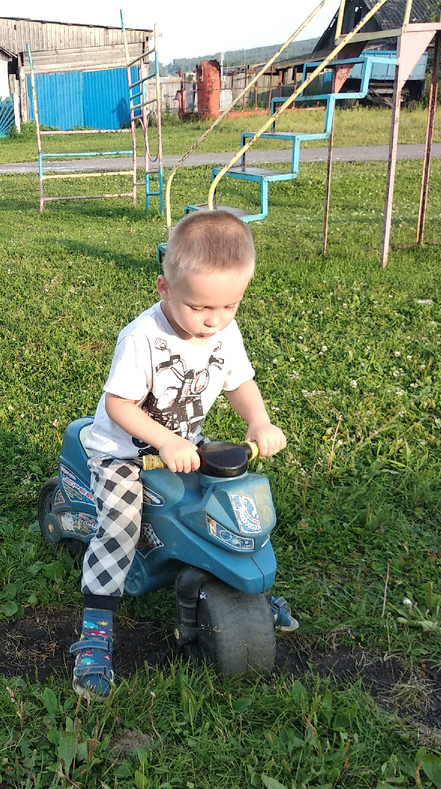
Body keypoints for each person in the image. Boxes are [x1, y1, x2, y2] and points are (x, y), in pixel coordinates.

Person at [71, 209, 295, 699]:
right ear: (164, 289)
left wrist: (258, 421)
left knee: (222, 500)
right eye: (199, 308)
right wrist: (167, 440)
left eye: (230, 306)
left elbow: (240, 382)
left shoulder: (222, 333)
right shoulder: (142, 338)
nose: (214, 321)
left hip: (181, 447)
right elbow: (119, 405)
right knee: (121, 525)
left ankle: (250, 589)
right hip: (123, 453)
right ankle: (95, 629)